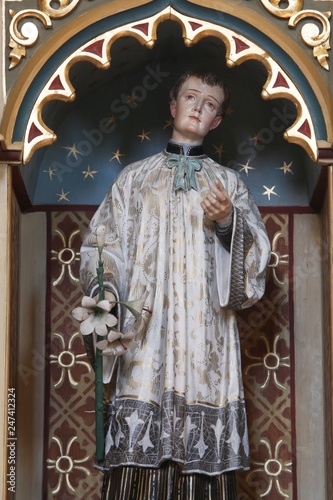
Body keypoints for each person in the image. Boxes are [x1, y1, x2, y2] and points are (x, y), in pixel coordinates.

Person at [80, 70, 271, 499]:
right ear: (173, 106)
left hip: (206, 336)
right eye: (191, 97)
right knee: (135, 464)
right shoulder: (134, 179)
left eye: (210, 104)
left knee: (202, 465)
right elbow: (102, 243)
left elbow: (257, 258)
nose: (198, 108)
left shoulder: (229, 184)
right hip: (146, 332)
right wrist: (106, 292)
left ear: (217, 120)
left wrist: (227, 223)